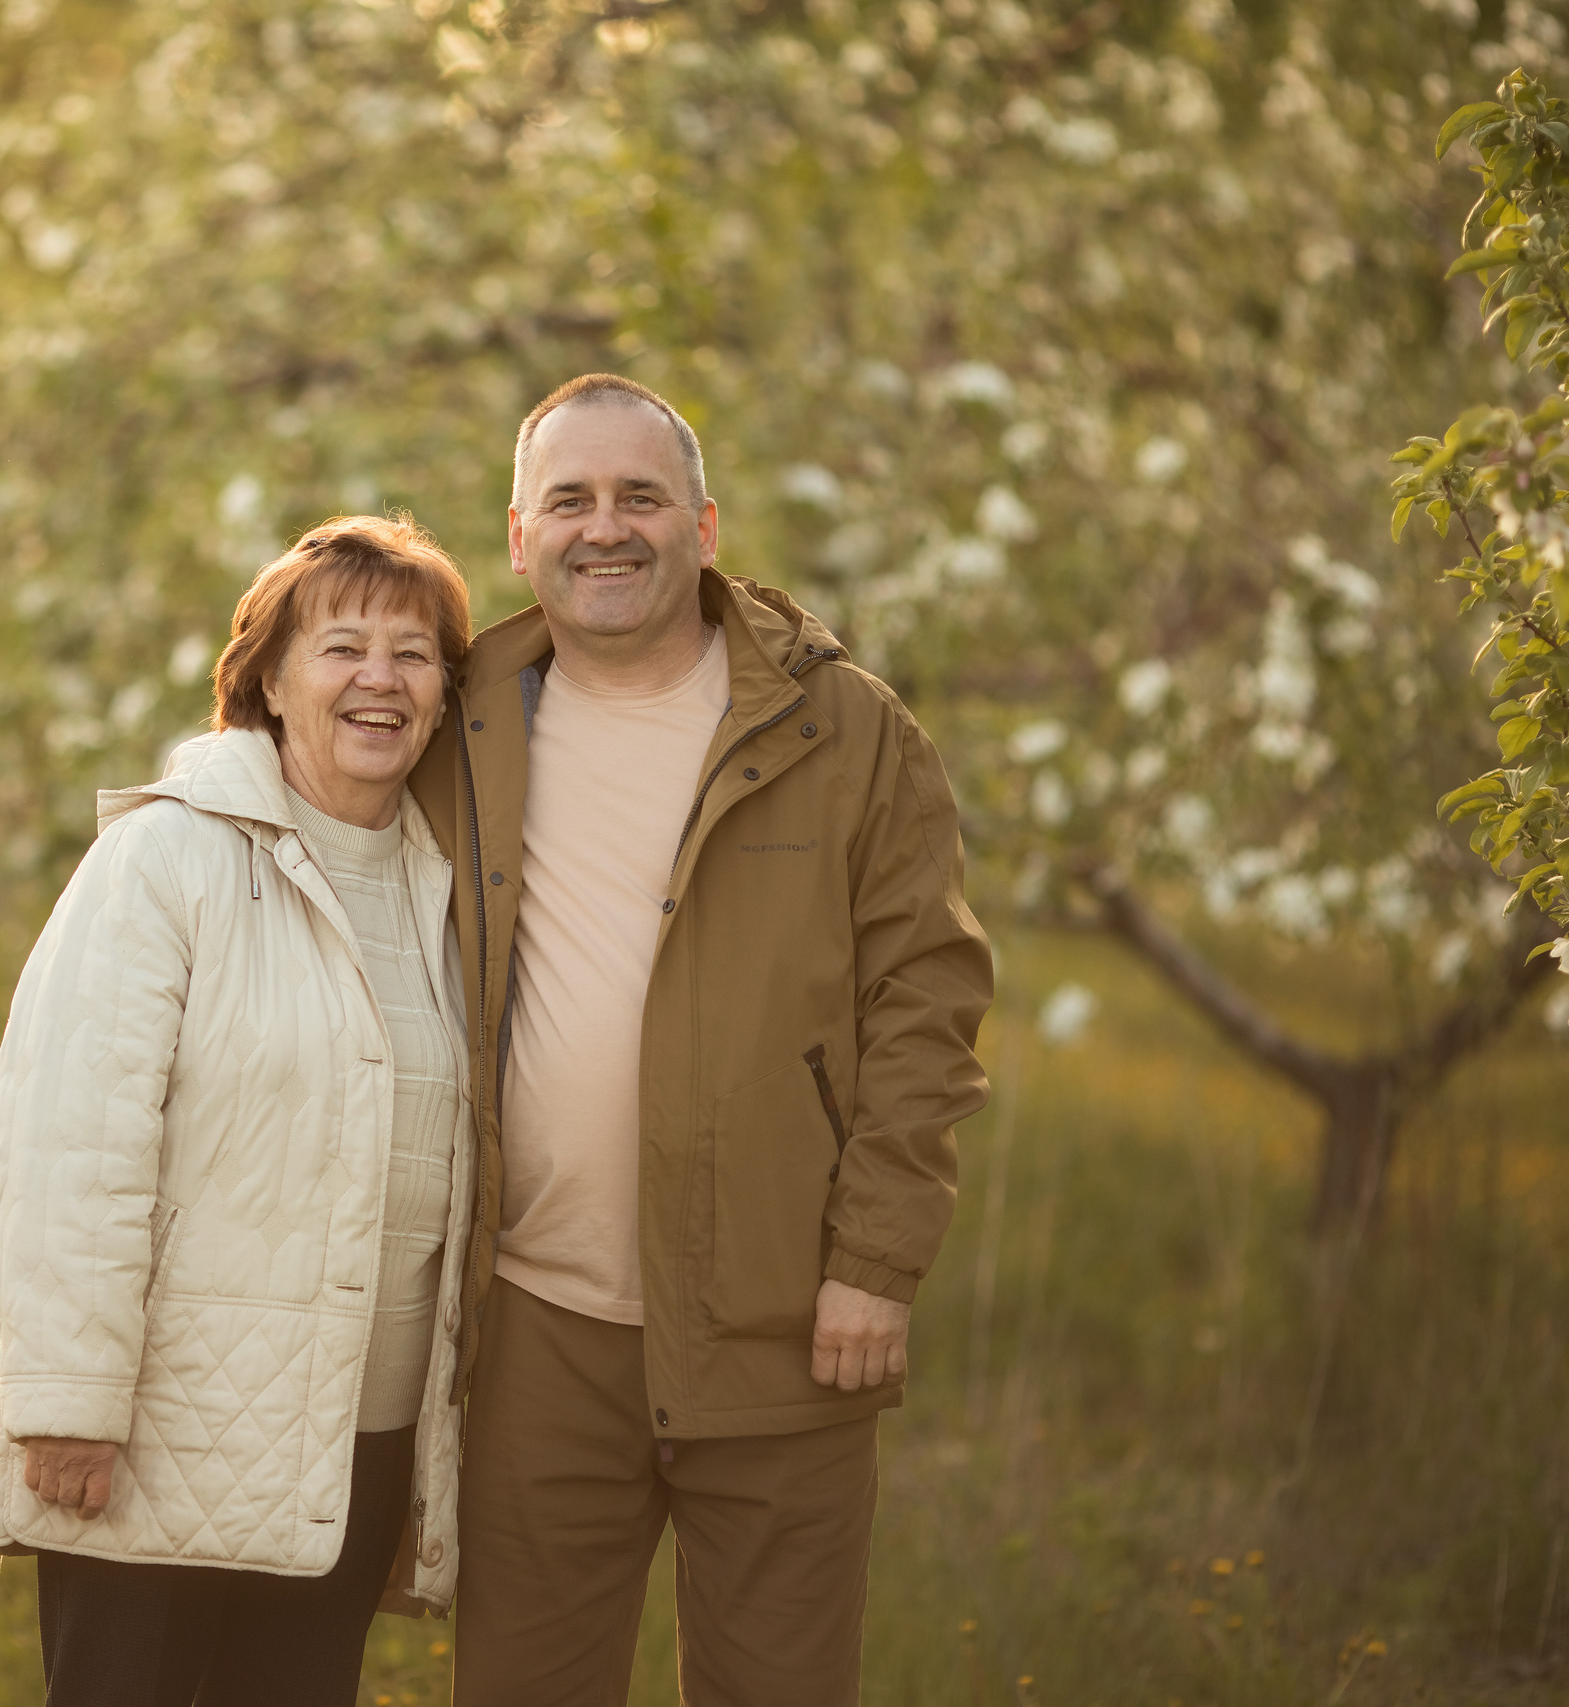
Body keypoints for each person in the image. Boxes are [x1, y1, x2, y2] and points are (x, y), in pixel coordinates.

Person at [403, 375, 994, 1704]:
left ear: (705, 526)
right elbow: (298, 764)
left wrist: (879, 1262)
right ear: (517, 535)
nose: (604, 528)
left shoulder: (844, 728)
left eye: (641, 498)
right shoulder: (463, 710)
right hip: (538, 1328)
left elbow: (928, 998)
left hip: (785, 1318)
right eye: (571, 499)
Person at [0, 514, 477, 1705]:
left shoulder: (450, 891)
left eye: (414, 654)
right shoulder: (165, 860)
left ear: (447, 696)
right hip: (161, 1427)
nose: (379, 680)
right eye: (342, 646)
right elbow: (69, 1140)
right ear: (267, 680)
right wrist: (68, 1398)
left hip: (358, 1437)